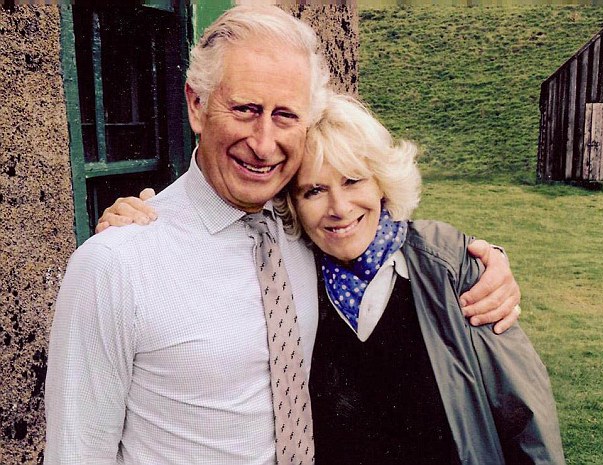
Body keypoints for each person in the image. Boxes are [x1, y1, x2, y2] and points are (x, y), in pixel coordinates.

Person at [46, 5, 521, 465]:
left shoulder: (305, 226)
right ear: (196, 105)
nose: (263, 143)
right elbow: (77, 452)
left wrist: (482, 266)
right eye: (245, 109)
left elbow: (387, 234)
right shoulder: (115, 264)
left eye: (285, 116)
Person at [104, 92, 564, 465]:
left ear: (382, 183)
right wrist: (143, 224)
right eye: (315, 190)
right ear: (292, 204)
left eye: (353, 181)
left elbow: (525, 419)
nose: (339, 209)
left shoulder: (450, 269)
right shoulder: (286, 275)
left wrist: (490, 260)